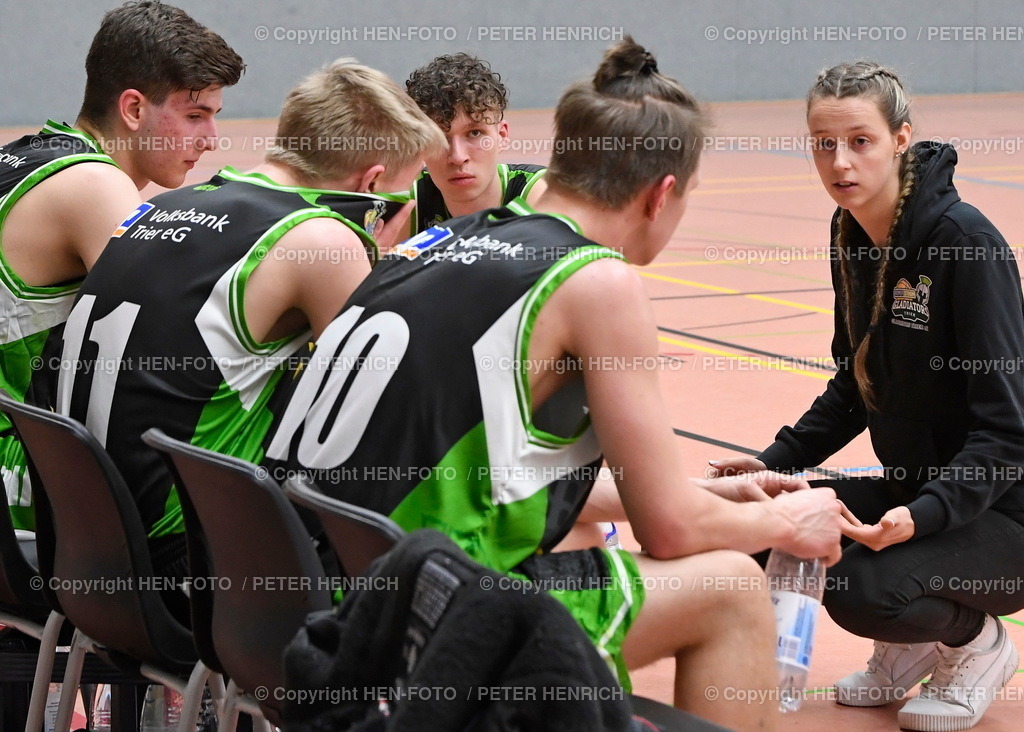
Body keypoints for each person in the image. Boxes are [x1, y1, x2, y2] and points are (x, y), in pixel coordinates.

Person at [264, 38, 843, 730]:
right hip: (429, 616)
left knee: (581, 539)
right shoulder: (596, 279)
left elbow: (500, 475)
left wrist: (711, 491)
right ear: (661, 196)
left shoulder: (435, 241)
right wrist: (788, 522)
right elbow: (671, 532)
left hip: (326, 599)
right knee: (731, 589)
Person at [709, 61, 1024, 731]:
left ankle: (974, 642)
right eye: (823, 143)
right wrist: (771, 467)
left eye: (860, 141)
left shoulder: (965, 246)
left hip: (1003, 511)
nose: (839, 162)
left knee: (857, 587)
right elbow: (855, 387)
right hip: (917, 489)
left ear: (901, 139)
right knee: (763, 528)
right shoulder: (849, 232)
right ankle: (911, 647)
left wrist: (923, 516)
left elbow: (1008, 435)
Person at [57, 58, 445, 591]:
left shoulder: (161, 206)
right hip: (186, 569)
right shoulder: (320, 240)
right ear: (373, 183)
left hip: (82, 549)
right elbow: (401, 400)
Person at [0, 0, 243, 530]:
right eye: (195, 114)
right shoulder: (96, 184)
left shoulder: (28, 153)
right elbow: (193, 323)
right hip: (16, 478)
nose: (211, 140)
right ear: (133, 109)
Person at [405, 52, 546, 236]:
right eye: (438, 137)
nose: (457, 157)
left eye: (474, 133)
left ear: (501, 136)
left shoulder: (540, 196)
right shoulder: (406, 203)